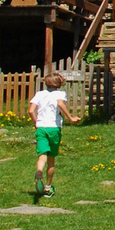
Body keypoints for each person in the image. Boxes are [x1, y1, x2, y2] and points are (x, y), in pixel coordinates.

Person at [29, 70, 80, 198]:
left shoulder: (39, 94)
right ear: (59, 83)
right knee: (51, 159)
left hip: (41, 127)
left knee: (42, 156)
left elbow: (30, 111)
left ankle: (39, 171)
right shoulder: (60, 94)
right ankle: (47, 188)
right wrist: (70, 117)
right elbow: (60, 103)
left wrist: (37, 123)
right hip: (54, 127)